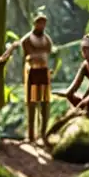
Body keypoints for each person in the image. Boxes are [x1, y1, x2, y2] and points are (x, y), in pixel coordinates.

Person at [19, 13, 53, 143]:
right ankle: (31, 135)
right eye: (40, 23)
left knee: (44, 103)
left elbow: (49, 52)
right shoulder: (26, 40)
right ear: (35, 24)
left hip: (44, 73)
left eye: (44, 23)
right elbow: (27, 55)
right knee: (32, 103)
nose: (42, 25)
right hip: (32, 73)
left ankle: (43, 133)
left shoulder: (47, 40)